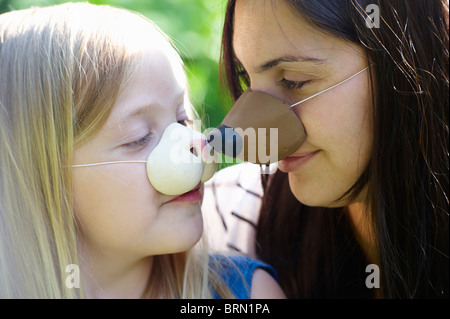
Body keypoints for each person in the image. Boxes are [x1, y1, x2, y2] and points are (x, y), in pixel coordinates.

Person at [0, 3, 286, 299]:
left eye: (182, 120)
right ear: (40, 177)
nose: (196, 145)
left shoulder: (247, 294)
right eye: (139, 138)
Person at [203, 0, 449, 298]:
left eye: (295, 81)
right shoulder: (227, 221)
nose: (255, 130)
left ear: (402, 64)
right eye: (246, 80)